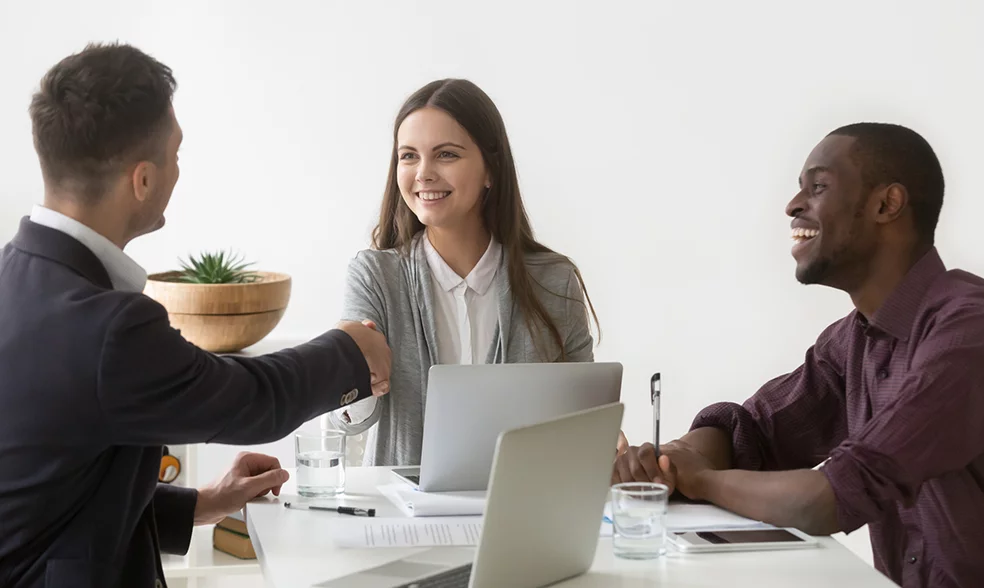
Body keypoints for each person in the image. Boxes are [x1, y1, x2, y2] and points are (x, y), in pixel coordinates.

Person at [0, 43, 391, 588]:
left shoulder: (13, 277)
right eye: (175, 154)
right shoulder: (107, 328)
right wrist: (353, 350)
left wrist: (204, 504)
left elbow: (54, 497)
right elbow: (254, 399)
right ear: (142, 179)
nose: (178, 171)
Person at [613, 123, 984, 587]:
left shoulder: (968, 332)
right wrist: (669, 460)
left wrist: (699, 479)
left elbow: (827, 498)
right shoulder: (853, 342)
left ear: (886, 205)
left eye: (818, 186)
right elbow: (754, 433)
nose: (792, 205)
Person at [325, 79, 610, 466]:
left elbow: (584, 421)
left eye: (446, 155)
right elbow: (352, 422)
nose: (423, 173)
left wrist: (607, 438)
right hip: (406, 519)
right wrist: (353, 376)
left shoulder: (554, 281)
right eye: (408, 156)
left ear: (490, 170)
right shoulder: (375, 275)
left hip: (521, 511)